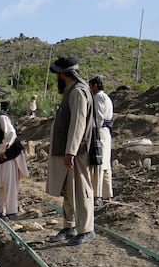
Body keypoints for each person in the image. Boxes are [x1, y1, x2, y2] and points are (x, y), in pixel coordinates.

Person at [46, 56, 96, 246]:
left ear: (62, 74)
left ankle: (86, 229)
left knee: (81, 189)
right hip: (69, 151)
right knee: (68, 190)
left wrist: (71, 151)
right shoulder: (71, 91)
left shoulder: (78, 92)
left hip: (76, 152)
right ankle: (70, 227)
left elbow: (78, 123)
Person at [89, 77, 114, 204]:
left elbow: (98, 117)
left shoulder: (98, 97)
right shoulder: (107, 97)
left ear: (94, 86)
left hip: (100, 132)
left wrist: (93, 130)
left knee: (98, 163)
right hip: (106, 132)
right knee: (105, 164)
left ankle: (97, 194)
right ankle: (107, 194)